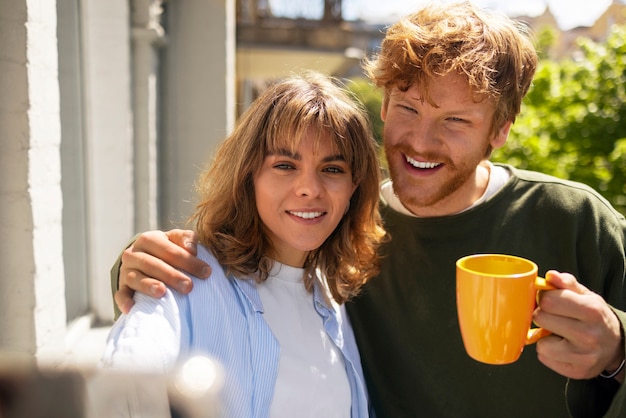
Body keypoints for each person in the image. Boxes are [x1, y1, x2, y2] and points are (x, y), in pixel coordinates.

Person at [111, 3, 626, 417]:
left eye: (455, 121)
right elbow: (244, 276)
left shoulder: (574, 217)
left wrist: (619, 350)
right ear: (383, 105)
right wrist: (135, 266)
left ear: (500, 130)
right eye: (408, 109)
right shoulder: (346, 227)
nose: (421, 142)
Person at [101, 72, 386, 418]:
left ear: (354, 186)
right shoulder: (184, 278)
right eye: (285, 165)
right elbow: (123, 388)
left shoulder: (337, 300)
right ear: (248, 174)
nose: (309, 188)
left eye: (333, 168)